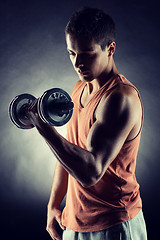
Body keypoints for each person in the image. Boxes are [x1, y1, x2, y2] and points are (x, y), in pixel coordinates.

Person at [27, 7, 147, 240]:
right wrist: (53, 205)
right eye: (72, 53)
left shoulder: (120, 99)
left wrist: (44, 128)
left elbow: (91, 171)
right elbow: (68, 152)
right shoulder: (79, 88)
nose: (77, 63)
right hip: (74, 221)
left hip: (114, 224)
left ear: (110, 49)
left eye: (87, 54)